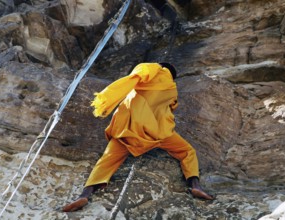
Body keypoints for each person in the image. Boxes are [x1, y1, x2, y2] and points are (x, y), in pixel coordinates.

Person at [62, 63, 214, 212]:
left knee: (106, 161)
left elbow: (134, 77)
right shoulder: (171, 90)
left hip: (129, 130)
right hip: (158, 134)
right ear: (172, 76)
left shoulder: (151, 68)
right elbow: (172, 107)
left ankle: (85, 194)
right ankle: (195, 185)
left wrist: (106, 99)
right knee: (187, 151)